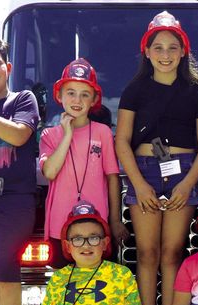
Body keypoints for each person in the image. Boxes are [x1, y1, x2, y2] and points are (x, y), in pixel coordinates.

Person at [115, 11, 198, 305]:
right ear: (147, 51)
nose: (166, 54)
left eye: (173, 47)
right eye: (158, 47)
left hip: (182, 172)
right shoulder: (134, 89)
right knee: (146, 253)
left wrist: (187, 184)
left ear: (183, 51)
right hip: (143, 170)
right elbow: (122, 141)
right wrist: (139, 185)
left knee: (172, 253)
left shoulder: (196, 91)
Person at [40, 58, 128, 269]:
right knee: (64, 288)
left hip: (97, 227)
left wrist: (115, 221)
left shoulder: (103, 132)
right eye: (71, 92)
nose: (77, 100)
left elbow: (113, 178)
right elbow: (50, 172)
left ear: (94, 99)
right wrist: (67, 134)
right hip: (59, 227)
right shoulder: (49, 135)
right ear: (59, 96)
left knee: (98, 289)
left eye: (84, 94)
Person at [0, 38, 39, 305]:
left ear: (8, 67)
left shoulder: (22, 99)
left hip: (15, 199)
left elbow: (20, 136)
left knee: (6, 270)